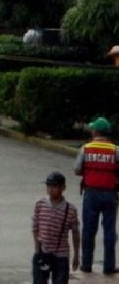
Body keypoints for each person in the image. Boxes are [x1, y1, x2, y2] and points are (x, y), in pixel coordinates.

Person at [74, 116, 118, 274]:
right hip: (110, 194)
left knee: (88, 231)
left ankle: (86, 265)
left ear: (95, 131)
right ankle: (109, 266)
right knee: (109, 231)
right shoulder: (115, 150)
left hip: (91, 193)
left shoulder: (86, 148)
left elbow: (77, 169)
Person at [32, 171, 80, 283]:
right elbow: (35, 227)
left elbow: (75, 233)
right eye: (48, 185)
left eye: (54, 186)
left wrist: (76, 255)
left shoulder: (70, 210)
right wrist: (37, 248)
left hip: (61, 256)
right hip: (42, 253)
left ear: (63, 187)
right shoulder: (40, 204)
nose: (50, 189)